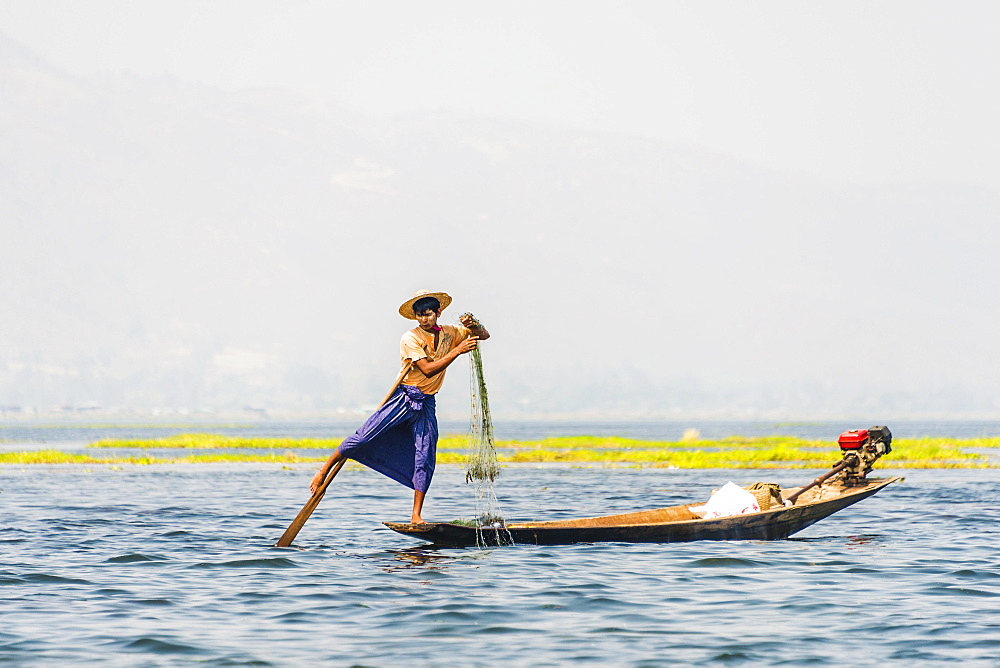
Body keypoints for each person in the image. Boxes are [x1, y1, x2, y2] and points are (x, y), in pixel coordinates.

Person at [309, 290, 490, 523]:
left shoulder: (450, 333)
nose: (424, 319)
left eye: (428, 314)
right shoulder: (410, 338)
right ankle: (323, 471)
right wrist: (457, 351)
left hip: (426, 402)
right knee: (363, 438)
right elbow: (428, 369)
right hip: (404, 397)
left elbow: (483, 335)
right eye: (420, 316)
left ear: (438, 312)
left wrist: (473, 324)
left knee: (425, 456)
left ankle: (416, 515)